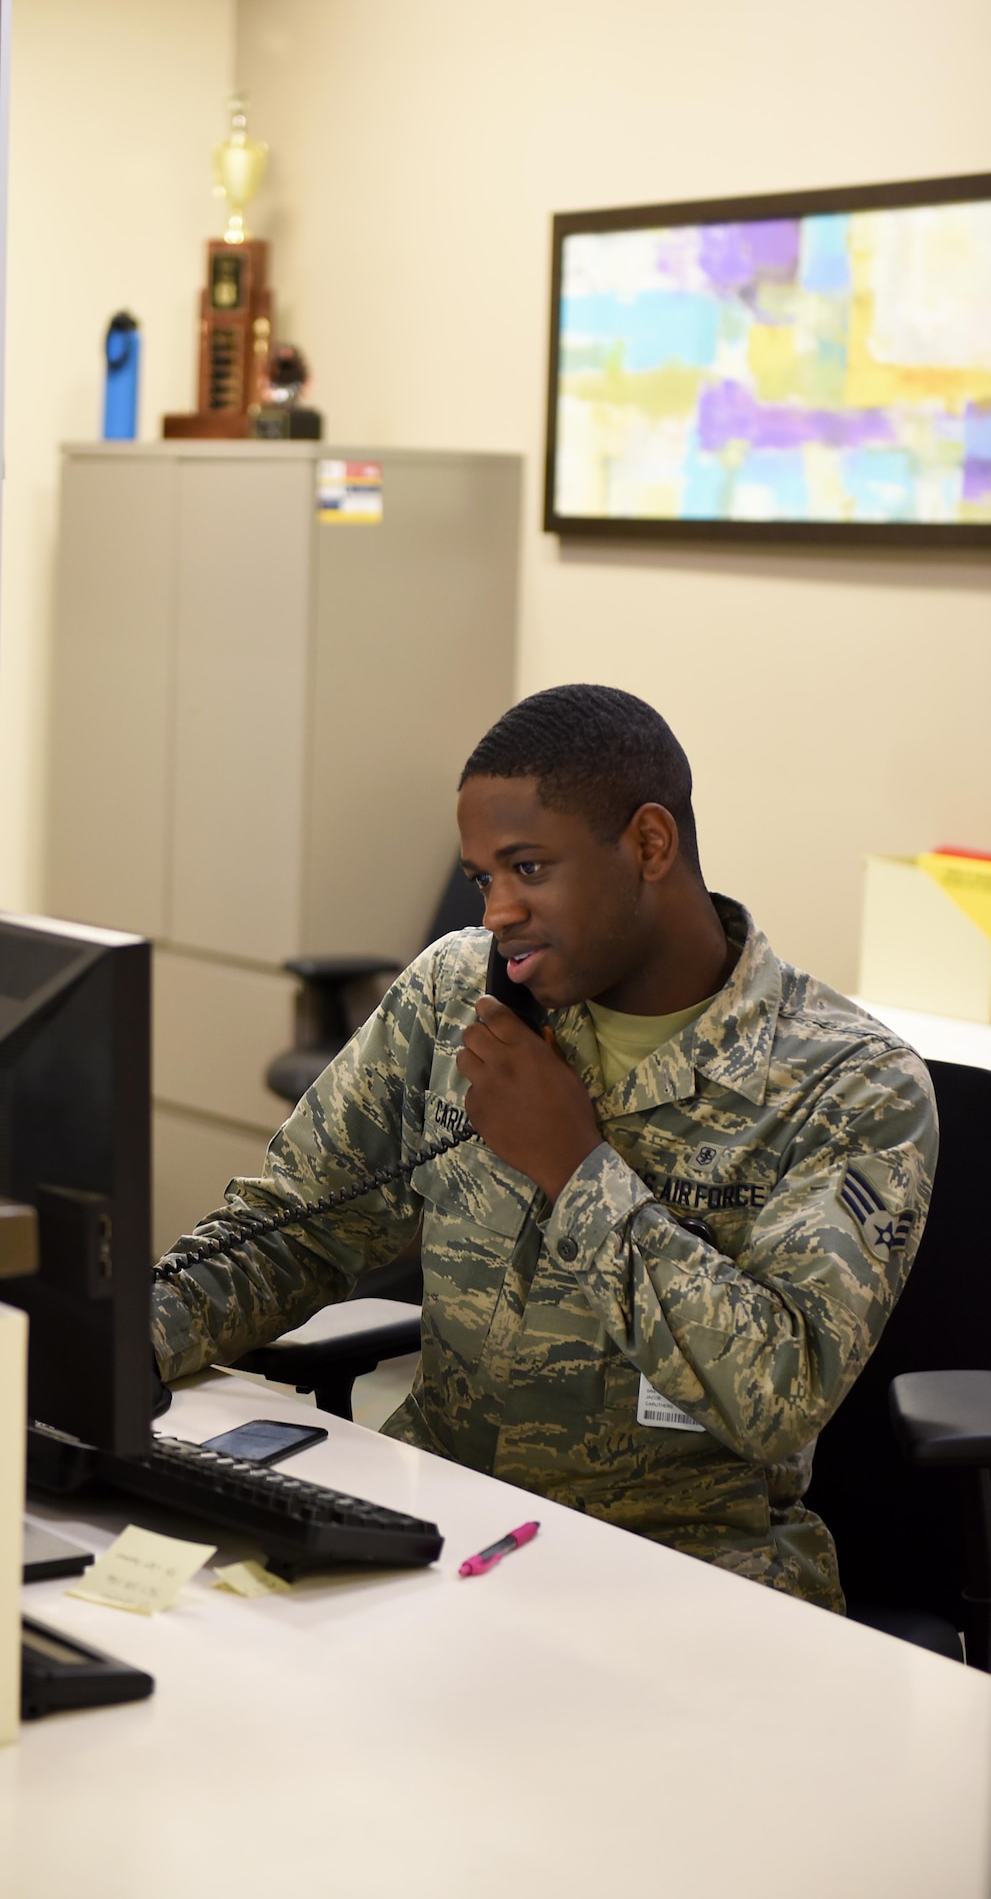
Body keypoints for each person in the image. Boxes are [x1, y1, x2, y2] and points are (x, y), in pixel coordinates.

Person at [151, 685, 937, 1609]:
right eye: (484, 877)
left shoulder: (849, 1084)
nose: (496, 914)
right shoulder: (458, 994)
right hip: (438, 1525)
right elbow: (295, 1227)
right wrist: (125, 1338)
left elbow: (776, 1390)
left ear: (648, 844)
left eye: (528, 868)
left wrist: (576, 1168)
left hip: (685, 1577)